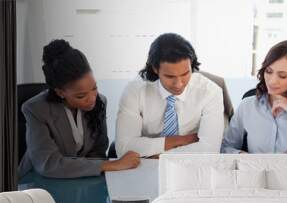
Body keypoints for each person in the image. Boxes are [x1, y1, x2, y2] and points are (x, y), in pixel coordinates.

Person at [19, 39, 140, 178]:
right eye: (81, 96)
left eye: (94, 88)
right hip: (37, 181)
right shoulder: (36, 109)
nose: (92, 98)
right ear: (60, 92)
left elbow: (98, 151)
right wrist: (111, 165)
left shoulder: (100, 101)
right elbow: (48, 163)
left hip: (81, 180)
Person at [115, 33, 224, 158]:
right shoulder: (135, 91)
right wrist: (181, 140)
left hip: (189, 165)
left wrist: (159, 156)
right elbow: (123, 148)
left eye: (185, 74)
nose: (178, 84)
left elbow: (209, 150)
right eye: (170, 76)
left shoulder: (210, 92)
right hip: (145, 166)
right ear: (155, 69)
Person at [221, 40, 287, 171]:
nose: (272, 81)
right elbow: (225, 148)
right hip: (254, 182)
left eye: (282, 76)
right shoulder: (247, 106)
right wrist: (242, 157)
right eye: (269, 71)